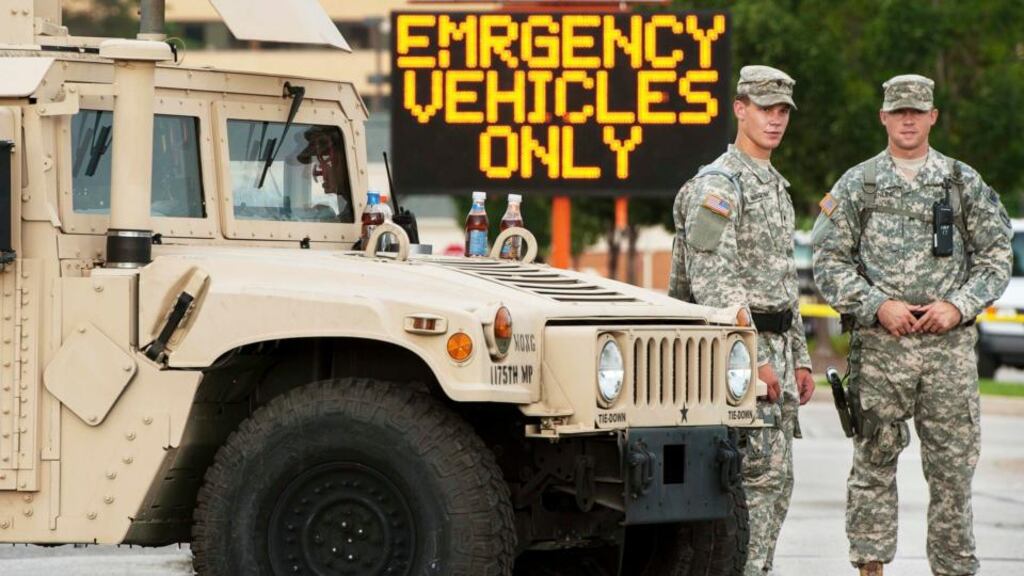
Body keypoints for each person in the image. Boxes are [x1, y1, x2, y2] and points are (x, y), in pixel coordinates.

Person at [811, 74, 1011, 576]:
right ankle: (870, 568)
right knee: (874, 465)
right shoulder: (858, 185)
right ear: (883, 117)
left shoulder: (962, 182)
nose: (907, 120)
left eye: (916, 112)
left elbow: (996, 256)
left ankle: (953, 569)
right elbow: (829, 261)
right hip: (882, 352)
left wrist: (958, 305)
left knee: (952, 474)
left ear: (932, 117)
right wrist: (877, 304)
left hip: (948, 352)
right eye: (898, 111)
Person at [670, 65, 815, 576]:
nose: (774, 121)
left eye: (781, 112)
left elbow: (782, 284)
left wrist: (800, 358)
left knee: (773, 486)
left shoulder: (774, 185)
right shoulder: (720, 185)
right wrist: (750, 361)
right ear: (739, 109)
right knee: (746, 492)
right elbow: (716, 284)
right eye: (763, 108)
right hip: (734, 363)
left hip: (774, 356)